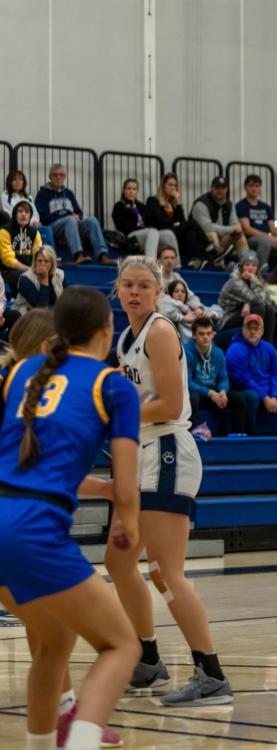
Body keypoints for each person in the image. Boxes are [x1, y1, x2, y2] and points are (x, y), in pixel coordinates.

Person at [0, 286, 141, 750]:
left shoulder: (20, 371)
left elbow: (24, 461)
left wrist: (95, 489)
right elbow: (127, 487)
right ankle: (80, 742)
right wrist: (127, 522)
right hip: (32, 530)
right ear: (108, 330)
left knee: (53, 641)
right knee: (121, 645)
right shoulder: (113, 384)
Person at [106, 255, 233, 707]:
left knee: (165, 571)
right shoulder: (126, 336)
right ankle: (148, 660)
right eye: (127, 284)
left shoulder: (160, 331)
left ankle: (211, 673)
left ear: (158, 291)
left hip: (166, 449)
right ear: (118, 290)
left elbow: (171, 404)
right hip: (143, 450)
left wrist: (112, 418)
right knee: (120, 562)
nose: (135, 291)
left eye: (143, 284)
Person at [225, 313, 277, 436]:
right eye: (249, 328)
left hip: (268, 393)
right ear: (243, 329)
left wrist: (275, 395)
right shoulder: (235, 350)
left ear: (262, 331)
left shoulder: (268, 347)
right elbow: (244, 380)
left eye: (256, 328)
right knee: (252, 396)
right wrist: (265, 397)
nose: (253, 332)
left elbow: (275, 374)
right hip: (245, 390)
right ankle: (252, 436)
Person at [35, 163, 113, 265]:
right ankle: (78, 255)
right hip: (54, 227)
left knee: (92, 221)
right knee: (70, 220)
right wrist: (67, 217)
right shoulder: (42, 194)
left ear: (64, 177)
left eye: (61, 175)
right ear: (50, 177)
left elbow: (78, 211)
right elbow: (43, 217)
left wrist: (78, 216)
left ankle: (102, 255)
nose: (58, 177)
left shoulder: (68, 193)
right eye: (55, 175)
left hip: (71, 225)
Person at [185, 317, 249, 436]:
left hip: (214, 394)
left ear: (213, 335)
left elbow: (223, 377)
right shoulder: (186, 353)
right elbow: (188, 382)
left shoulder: (218, 353)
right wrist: (210, 393)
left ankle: (237, 434)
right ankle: (192, 433)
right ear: (193, 335)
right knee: (192, 397)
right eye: (201, 334)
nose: (205, 337)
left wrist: (223, 391)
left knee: (238, 398)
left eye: (209, 333)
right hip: (198, 394)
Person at [145, 173, 218, 268]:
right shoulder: (153, 200)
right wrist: (177, 224)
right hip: (160, 231)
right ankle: (209, 247)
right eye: (170, 185)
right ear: (163, 186)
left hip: (174, 232)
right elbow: (160, 221)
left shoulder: (174, 204)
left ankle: (194, 260)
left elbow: (182, 222)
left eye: (175, 185)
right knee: (192, 223)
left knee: (190, 232)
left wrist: (179, 203)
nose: (173, 188)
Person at [112, 177, 174, 260]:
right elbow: (122, 226)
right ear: (124, 191)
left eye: (134, 189)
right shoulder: (119, 206)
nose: (131, 191)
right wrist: (141, 226)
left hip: (147, 234)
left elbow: (151, 222)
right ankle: (150, 263)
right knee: (153, 231)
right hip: (130, 237)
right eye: (129, 188)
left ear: (137, 191)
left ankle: (177, 264)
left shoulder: (142, 206)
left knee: (168, 233)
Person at [218, 251, 275, 342]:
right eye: (247, 265)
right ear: (241, 267)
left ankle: (268, 345)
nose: (250, 268)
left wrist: (247, 303)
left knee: (269, 309)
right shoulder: (234, 281)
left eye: (253, 265)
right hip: (228, 317)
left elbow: (268, 301)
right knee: (258, 308)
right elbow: (258, 299)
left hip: (243, 312)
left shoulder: (257, 280)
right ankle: (255, 342)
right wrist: (253, 279)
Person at [192, 176, 248, 261]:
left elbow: (235, 224)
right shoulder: (201, 204)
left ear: (227, 189)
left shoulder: (229, 204)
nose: (220, 191)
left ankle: (247, 264)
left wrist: (235, 229)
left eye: (223, 188)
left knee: (239, 235)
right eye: (217, 187)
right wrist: (232, 229)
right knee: (211, 234)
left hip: (221, 240)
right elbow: (207, 227)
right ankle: (219, 267)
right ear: (211, 188)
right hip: (201, 242)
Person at [3, 170, 54, 248]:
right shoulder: (4, 196)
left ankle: (47, 256)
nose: (18, 182)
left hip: (31, 225)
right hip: (16, 226)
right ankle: (52, 255)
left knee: (44, 235)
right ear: (10, 182)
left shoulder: (28, 197)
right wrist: (27, 221)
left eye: (20, 179)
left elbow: (35, 213)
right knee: (47, 230)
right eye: (15, 180)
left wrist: (35, 221)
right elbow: (8, 214)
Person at [0, 199, 42, 287]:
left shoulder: (35, 233)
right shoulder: (5, 231)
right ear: (15, 214)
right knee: (27, 277)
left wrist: (39, 268)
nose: (23, 214)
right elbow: (8, 260)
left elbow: (38, 254)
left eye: (27, 212)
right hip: (9, 270)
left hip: (30, 267)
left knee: (58, 274)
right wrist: (29, 270)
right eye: (20, 211)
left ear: (30, 215)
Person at [13, 245, 63, 314]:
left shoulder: (60, 274)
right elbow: (41, 306)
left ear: (52, 263)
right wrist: (44, 279)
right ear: (35, 262)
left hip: (52, 313)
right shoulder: (25, 278)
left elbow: (66, 299)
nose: (42, 264)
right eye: (39, 261)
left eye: (46, 261)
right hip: (26, 315)